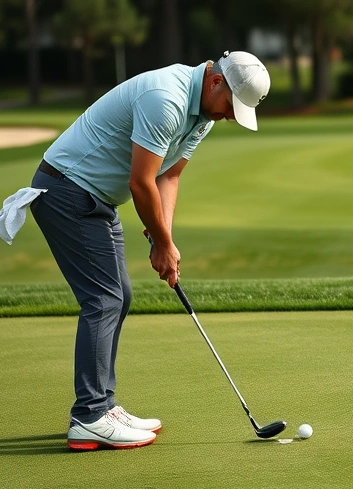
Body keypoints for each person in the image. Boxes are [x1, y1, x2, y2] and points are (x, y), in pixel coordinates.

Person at [27, 51, 270, 451]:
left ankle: (102, 404)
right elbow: (141, 182)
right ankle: (90, 415)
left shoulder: (202, 115)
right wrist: (162, 242)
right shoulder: (167, 98)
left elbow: (168, 175)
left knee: (118, 296)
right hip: (66, 191)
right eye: (231, 106)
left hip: (95, 198)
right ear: (215, 83)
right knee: (103, 299)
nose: (229, 115)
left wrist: (165, 238)